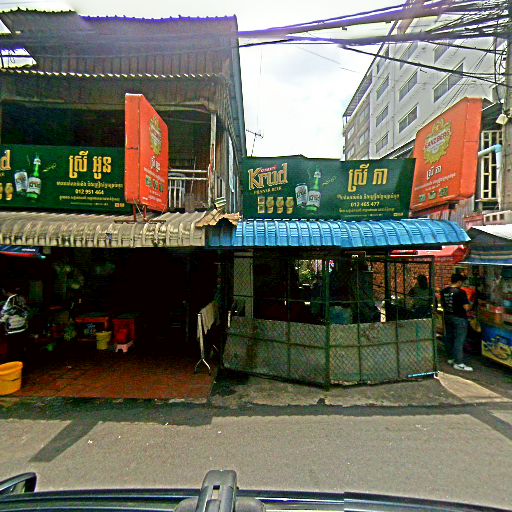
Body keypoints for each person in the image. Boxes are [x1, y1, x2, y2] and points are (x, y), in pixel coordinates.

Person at [440, 273, 473, 371]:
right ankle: (458, 363)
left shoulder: (444, 291)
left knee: (449, 337)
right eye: (462, 282)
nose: (462, 284)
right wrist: (471, 304)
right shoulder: (460, 292)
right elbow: (466, 307)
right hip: (459, 318)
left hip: (447, 316)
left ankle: (451, 358)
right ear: (459, 282)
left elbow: (442, 304)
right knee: (459, 340)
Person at [0, 284, 29, 362]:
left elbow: (4, 316)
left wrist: (1, 319)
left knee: (13, 349)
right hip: (22, 326)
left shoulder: (10, 300)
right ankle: (22, 364)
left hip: (13, 329)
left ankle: (14, 365)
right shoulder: (21, 298)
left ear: (5, 291)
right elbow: (26, 311)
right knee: (20, 347)